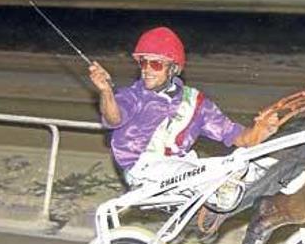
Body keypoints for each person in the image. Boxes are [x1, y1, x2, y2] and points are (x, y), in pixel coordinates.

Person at [88, 26, 281, 232]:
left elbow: (237, 136)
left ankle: (287, 183)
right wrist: (106, 92)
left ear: (174, 68)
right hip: (142, 169)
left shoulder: (195, 102)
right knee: (194, 172)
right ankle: (221, 195)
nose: (147, 70)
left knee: (253, 161)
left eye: (156, 64)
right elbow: (114, 118)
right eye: (143, 62)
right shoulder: (133, 96)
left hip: (182, 167)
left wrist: (262, 130)